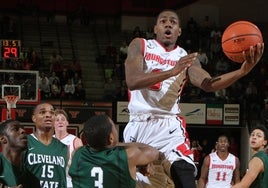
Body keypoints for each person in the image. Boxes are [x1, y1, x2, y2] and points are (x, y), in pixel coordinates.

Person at [123, 9, 264, 188]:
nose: (168, 24)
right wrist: (172, 71)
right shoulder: (140, 45)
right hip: (138, 126)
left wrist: (242, 71)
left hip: (169, 126)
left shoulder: (185, 58)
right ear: (155, 29)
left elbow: (208, 84)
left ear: (179, 31)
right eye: (163, 21)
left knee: (184, 172)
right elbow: (132, 81)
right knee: (146, 184)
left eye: (173, 22)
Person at [69, 114, 162, 188]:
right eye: (114, 126)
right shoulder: (128, 156)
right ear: (111, 138)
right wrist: (116, 143)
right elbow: (154, 152)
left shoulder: (77, 154)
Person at [24, 103, 69, 188]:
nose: (48, 115)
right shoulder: (24, 143)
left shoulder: (64, 148)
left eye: (51, 113)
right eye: (42, 112)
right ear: (34, 118)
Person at [0, 119, 40, 188]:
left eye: (23, 129)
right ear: (3, 139)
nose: (23, 131)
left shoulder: (32, 180)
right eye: (15, 129)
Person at [54, 108, 83, 188]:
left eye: (63, 119)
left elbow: (82, 165)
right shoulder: (49, 141)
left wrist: (68, 163)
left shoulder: (75, 141)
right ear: (53, 123)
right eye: (57, 120)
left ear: (67, 123)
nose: (60, 121)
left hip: (70, 184)